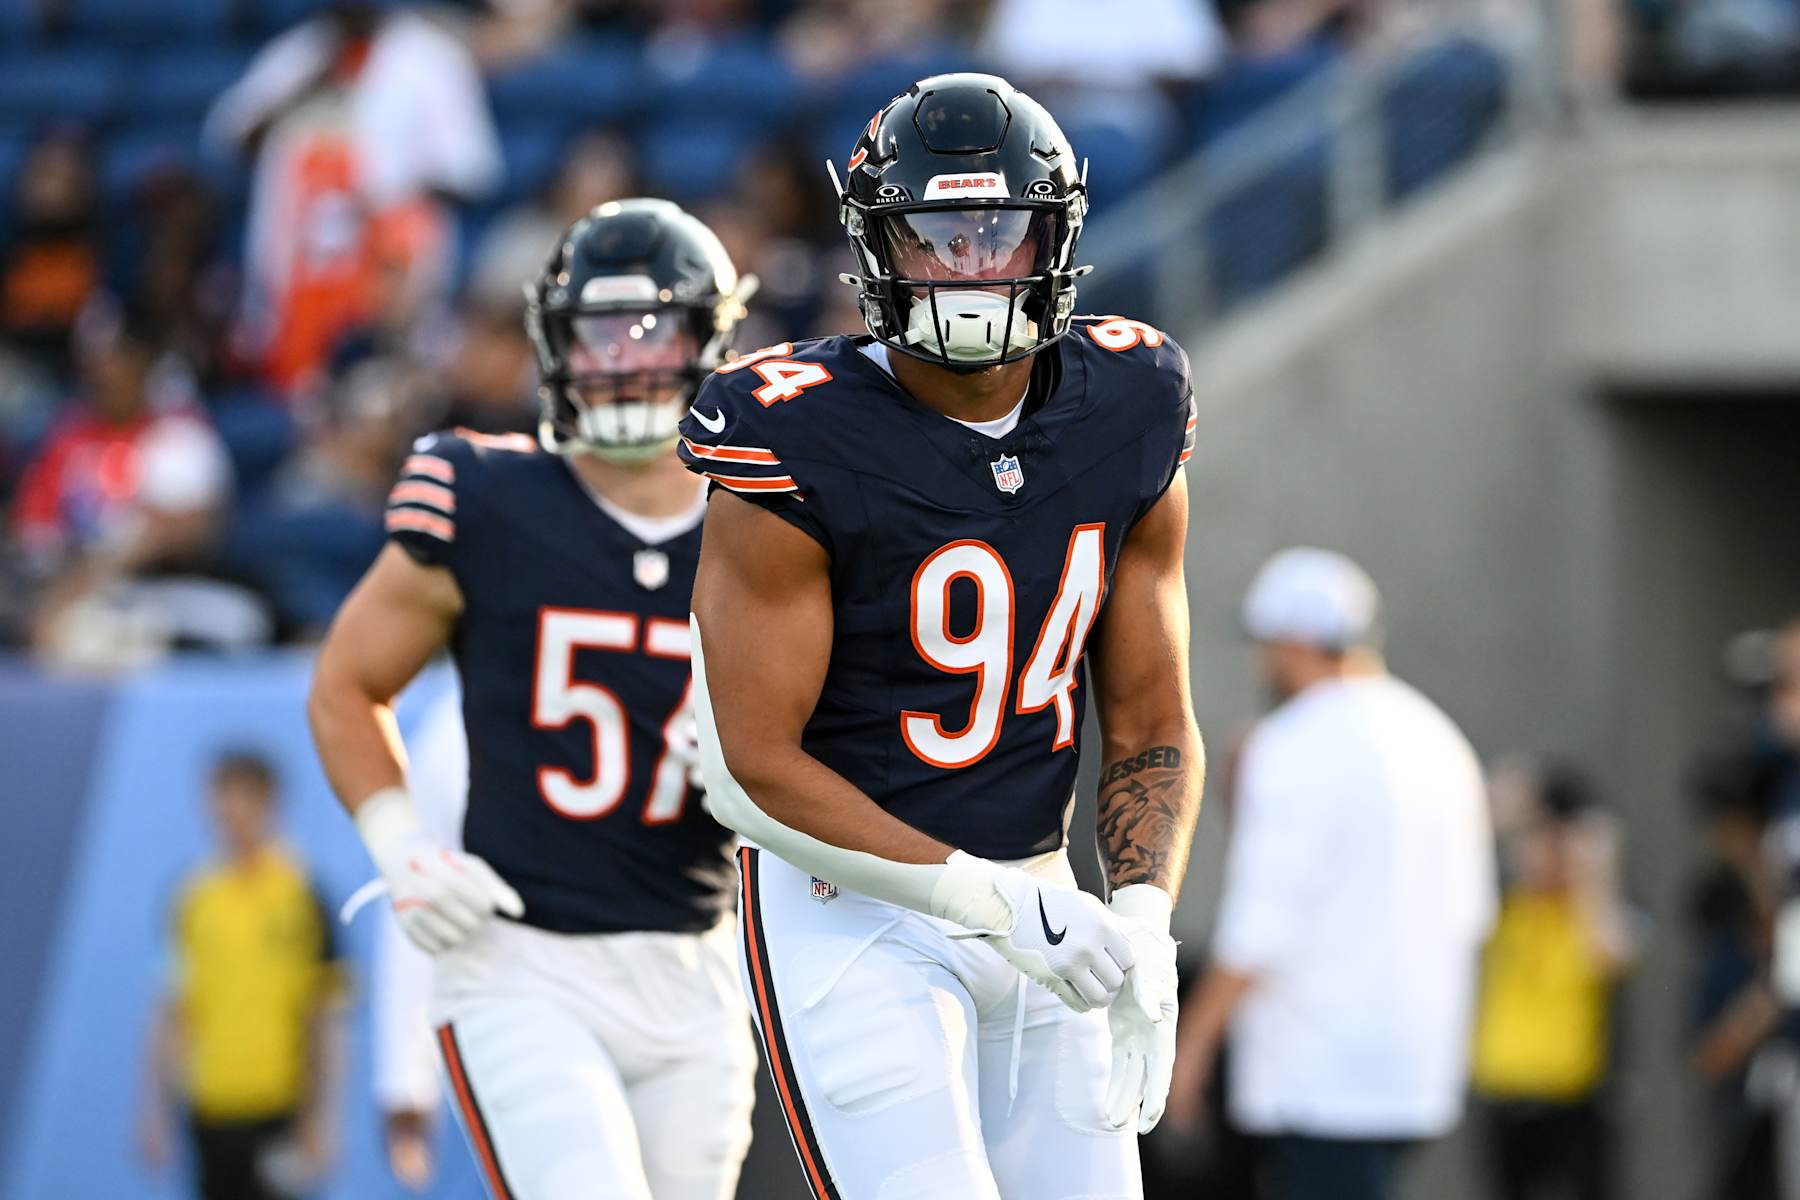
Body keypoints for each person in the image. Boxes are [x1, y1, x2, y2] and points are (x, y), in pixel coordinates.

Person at [684, 73, 1203, 1199]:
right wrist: (984, 898)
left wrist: (1148, 916)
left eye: (999, 233)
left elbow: (1155, 716)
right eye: (936, 238)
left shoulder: (1133, 400)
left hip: (1047, 898)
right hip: (853, 914)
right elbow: (747, 768)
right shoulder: (794, 434)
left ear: (1053, 237)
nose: (971, 267)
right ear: (878, 249)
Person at [308, 198, 760, 1200]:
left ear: (709, 339)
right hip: (523, 961)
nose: (624, 360)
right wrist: (400, 848)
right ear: (555, 345)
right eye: (599, 334)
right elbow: (347, 684)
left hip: (697, 963)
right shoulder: (483, 494)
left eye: (653, 331)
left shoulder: (766, 519)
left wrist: (755, 765)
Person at [1165, 547, 1495, 1200]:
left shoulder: (1292, 744)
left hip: (1318, 1075)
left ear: (1294, 640)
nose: (1264, 662)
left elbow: (1260, 923)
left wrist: (1189, 1052)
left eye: (1268, 643)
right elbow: (1471, 911)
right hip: (1414, 1070)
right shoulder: (1439, 738)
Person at [138, 751, 346, 1200]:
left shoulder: (303, 896)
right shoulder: (193, 898)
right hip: (209, 1109)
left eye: (240, 800)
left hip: (280, 1111)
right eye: (219, 801)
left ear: (268, 803)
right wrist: (154, 1108)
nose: (229, 815)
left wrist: (321, 1119)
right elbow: (173, 1008)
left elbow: (324, 1016)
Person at [1472, 761, 1636, 1200]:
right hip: (1503, 1099)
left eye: (1545, 837)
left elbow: (1611, 957)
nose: (1532, 851)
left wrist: (1596, 867)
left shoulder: (1592, 914)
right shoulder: (1503, 908)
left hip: (1574, 1106)